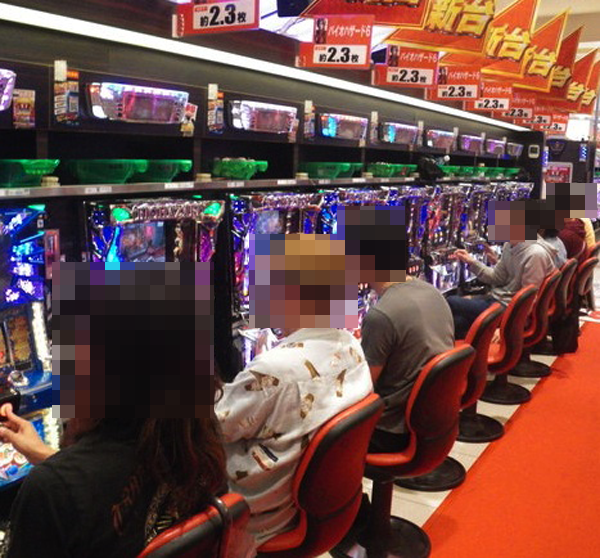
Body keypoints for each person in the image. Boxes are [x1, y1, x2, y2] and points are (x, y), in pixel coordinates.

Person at [0, 263, 227, 558]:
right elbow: (111, 491)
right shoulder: (193, 439)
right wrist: (46, 456)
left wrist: (56, 472)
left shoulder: (50, 490)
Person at [216, 234, 372, 551]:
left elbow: (209, 426)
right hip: (322, 503)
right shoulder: (351, 345)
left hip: (259, 515)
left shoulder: (277, 370)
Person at [361, 275, 455, 452]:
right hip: (437, 414)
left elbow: (363, 388)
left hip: (393, 429)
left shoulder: (380, 316)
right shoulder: (432, 291)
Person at [447, 201, 558, 339]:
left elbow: (529, 299)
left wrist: (508, 327)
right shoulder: (510, 245)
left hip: (508, 309)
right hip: (498, 300)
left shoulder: (535, 254)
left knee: (450, 301)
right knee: (456, 323)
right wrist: (471, 261)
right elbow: (496, 277)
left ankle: (492, 331)